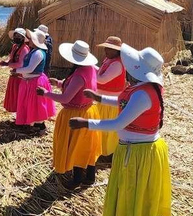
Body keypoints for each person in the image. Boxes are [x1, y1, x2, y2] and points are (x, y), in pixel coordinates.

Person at [70, 45, 172, 216]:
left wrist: (86, 124)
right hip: (134, 150)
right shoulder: (140, 87)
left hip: (141, 153)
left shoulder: (144, 94)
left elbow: (117, 123)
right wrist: (99, 98)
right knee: (132, 190)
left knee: (140, 193)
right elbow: (122, 100)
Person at [40, 40, 101, 189]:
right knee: (88, 146)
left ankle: (76, 180)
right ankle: (90, 177)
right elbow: (78, 89)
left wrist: (46, 94)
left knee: (76, 146)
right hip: (89, 111)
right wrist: (60, 84)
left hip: (75, 114)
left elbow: (66, 98)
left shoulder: (79, 74)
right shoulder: (91, 68)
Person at [14, 29, 56, 129]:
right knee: (30, 103)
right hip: (29, 81)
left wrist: (17, 71)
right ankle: (32, 123)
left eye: (31, 39)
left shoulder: (38, 53)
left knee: (37, 104)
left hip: (35, 82)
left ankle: (40, 126)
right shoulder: (33, 51)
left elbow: (30, 68)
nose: (29, 40)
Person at [94, 36, 126, 159]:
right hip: (102, 99)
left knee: (108, 129)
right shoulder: (108, 59)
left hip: (110, 101)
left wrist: (90, 72)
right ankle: (101, 149)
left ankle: (108, 152)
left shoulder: (117, 63)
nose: (106, 51)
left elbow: (103, 79)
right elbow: (101, 72)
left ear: (117, 51)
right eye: (106, 48)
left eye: (109, 49)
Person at [0, 28, 29, 113]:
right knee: (14, 95)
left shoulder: (25, 49)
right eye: (15, 36)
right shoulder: (15, 46)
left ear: (23, 38)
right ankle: (17, 115)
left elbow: (21, 64)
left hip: (21, 76)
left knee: (19, 95)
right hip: (14, 74)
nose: (16, 37)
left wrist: (7, 65)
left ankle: (21, 115)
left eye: (19, 36)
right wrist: (5, 62)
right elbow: (11, 58)